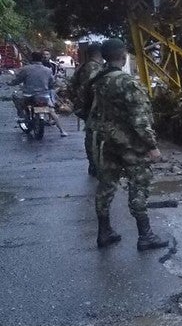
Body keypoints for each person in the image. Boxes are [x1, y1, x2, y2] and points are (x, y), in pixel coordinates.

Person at [86, 38, 169, 251]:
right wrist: (152, 146)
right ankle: (145, 236)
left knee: (106, 185)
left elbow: (85, 106)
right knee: (139, 184)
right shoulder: (127, 82)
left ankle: (104, 232)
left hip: (104, 141)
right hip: (129, 144)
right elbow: (140, 119)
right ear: (123, 56)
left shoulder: (97, 79)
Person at [8, 51, 68, 137]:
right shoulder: (48, 70)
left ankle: (21, 116)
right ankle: (62, 131)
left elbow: (18, 80)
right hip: (44, 95)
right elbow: (51, 83)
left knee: (15, 97)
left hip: (28, 95)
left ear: (32, 58)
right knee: (51, 111)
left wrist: (10, 83)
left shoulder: (26, 69)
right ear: (42, 59)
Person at [68, 42, 105, 176]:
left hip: (85, 108)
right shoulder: (95, 68)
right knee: (96, 137)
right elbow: (95, 90)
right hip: (94, 108)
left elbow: (71, 86)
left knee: (91, 136)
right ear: (100, 54)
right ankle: (96, 165)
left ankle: (94, 165)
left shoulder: (82, 67)